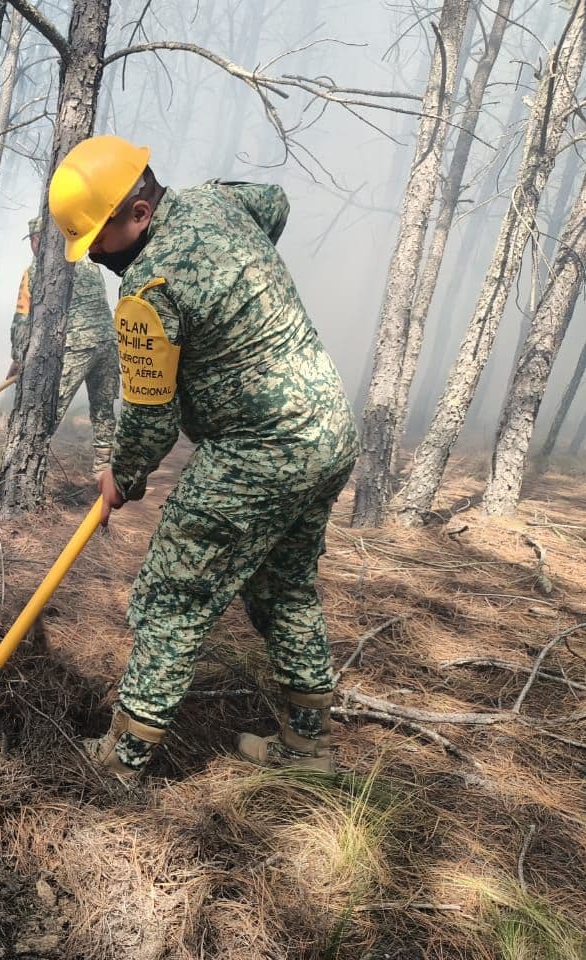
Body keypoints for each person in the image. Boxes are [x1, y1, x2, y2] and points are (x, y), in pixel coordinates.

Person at [45, 135, 359, 780]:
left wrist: (120, 477)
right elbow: (272, 201)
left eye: (98, 239)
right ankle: (310, 748)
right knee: (284, 588)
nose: (98, 256)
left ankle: (120, 762)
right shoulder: (217, 203)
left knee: (171, 598)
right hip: (327, 431)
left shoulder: (148, 290)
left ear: (138, 210)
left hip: (258, 450)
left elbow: (150, 415)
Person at [9, 217, 119, 475]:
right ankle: (103, 468)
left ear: (43, 239)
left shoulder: (36, 271)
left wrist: (18, 357)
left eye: (35, 239)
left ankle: (26, 469)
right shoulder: (89, 261)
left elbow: (22, 318)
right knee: (103, 408)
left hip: (76, 347)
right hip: (108, 343)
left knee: (49, 406)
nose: (33, 246)